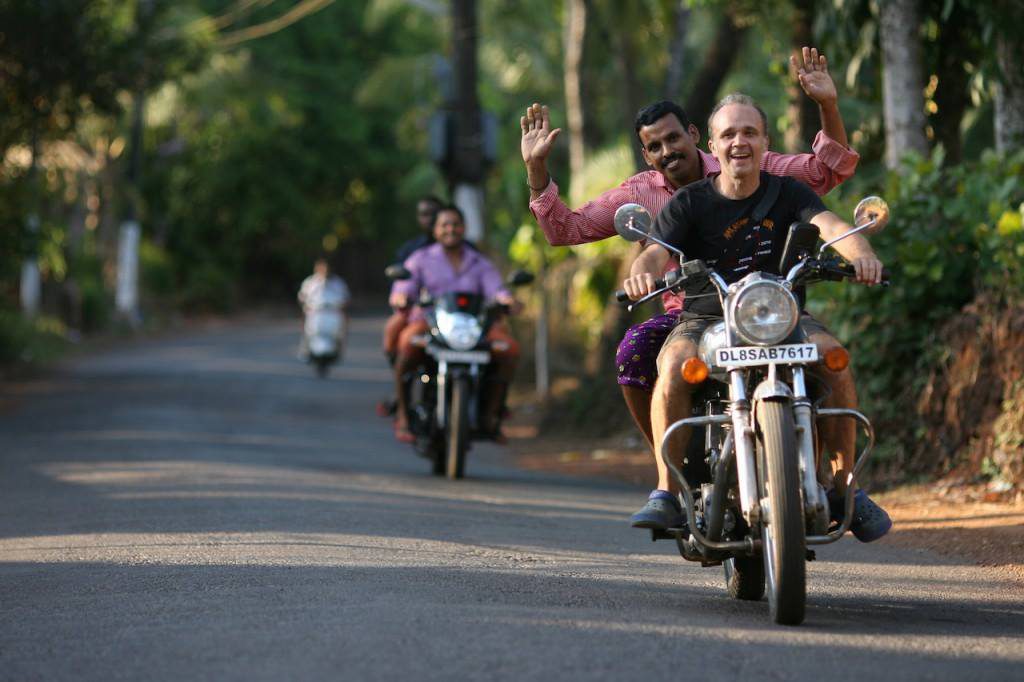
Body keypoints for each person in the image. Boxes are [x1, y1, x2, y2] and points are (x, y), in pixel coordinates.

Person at [522, 47, 866, 526]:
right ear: (646, 154)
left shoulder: (754, 166)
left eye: (673, 139)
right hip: (691, 311)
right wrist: (538, 171)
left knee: (830, 361)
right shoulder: (644, 192)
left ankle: (839, 482)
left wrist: (827, 105)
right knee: (636, 352)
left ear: (696, 136)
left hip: (764, 307)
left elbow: (827, 173)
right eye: (655, 147)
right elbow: (567, 231)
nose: (668, 152)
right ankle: (673, 470)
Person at [622, 92, 891, 542]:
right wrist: (640, 277)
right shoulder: (689, 203)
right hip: (705, 321)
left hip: (783, 318)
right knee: (671, 365)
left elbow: (833, 227)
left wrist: (863, 256)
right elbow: (654, 253)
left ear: (766, 140)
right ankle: (667, 492)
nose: (739, 142)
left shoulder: (790, 193)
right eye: (728, 134)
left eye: (749, 132)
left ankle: (845, 487)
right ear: (712, 143)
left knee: (834, 357)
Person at [389, 204, 522, 443]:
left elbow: (496, 290)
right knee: (407, 343)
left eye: (456, 224)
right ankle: (402, 413)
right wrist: (402, 296)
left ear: (464, 228)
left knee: (508, 349)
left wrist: (506, 300)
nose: (450, 229)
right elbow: (404, 287)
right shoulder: (420, 259)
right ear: (436, 230)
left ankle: (492, 415)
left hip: (473, 328)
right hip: (430, 324)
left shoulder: (479, 262)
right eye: (444, 225)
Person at [383, 195, 444, 367]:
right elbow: (401, 284)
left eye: (434, 213)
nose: (430, 218)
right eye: (424, 214)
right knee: (394, 329)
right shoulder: (412, 252)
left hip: (454, 313)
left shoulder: (465, 251)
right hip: (418, 311)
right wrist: (402, 296)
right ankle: (400, 374)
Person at [297, 257, 350, 355]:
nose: (324, 270)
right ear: (316, 269)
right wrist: (305, 305)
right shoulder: (310, 282)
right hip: (315, 311)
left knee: (344, 323)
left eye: (326, 268)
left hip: (333, 311)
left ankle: (341, 347)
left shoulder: (337, 282)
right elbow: (302, 296)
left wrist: (342, 306)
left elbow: (345, 297)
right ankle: (305, 347)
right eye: (321, 268)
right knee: (306, 325)